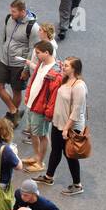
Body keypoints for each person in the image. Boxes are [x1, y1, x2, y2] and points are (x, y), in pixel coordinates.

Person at [37, 56, 87, 194]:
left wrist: (66, 129)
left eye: (66, 66)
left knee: (70, 154)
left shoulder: (79, 86)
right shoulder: (65, 80)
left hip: (70, 127)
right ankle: (49, 176)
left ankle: (77, 185)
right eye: (63, 65)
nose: (63, 67)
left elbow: (77, 111)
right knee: (56, 150)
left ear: (74, 69)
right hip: (58, 123)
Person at [18, 40, 62, 173]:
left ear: (47, 53)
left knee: (42, 135)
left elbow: (53, 96)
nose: (36, 55)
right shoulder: (41, 64)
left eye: (38, 53)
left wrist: (48, 113)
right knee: (33, 132)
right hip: (32, 104)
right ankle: (36, 156)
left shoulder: (55, 73)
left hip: (41, 109)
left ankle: (40, 162)